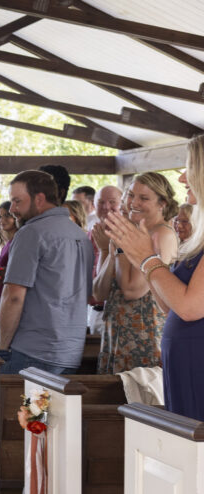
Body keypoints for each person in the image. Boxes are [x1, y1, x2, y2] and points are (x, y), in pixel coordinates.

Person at [106, 134, 204, 420]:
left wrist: (148, 259)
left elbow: (188, 308)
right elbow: (169, 306)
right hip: (184, 359)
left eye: (190, 167)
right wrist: (139, 256)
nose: (183, 178)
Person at [0, 170, 93, 374]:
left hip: (31, 350)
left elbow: (14, 296)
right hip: (70, 353)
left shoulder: (31, 233)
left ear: (39, 199)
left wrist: (2, 348)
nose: (12, 209)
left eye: (17, 201)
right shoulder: (80, 235)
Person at [92, 172, 179, 374]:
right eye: (131, 195)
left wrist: (122, 247)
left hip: (145, 338)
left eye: (144, 198)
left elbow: (132, 290)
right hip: (117, 335)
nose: (133, 202)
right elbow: (99, 293)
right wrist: (108, 251)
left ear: (162, 203)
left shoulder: (161, 234)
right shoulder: (129, 233)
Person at [87, 185, 122, 335]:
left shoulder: (127, 234)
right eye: (101, 202)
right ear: (94, 205)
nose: (106, 207)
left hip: (118, 312)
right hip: (93, 311)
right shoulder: (90, 234)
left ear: (123, 203)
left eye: (112, 202)